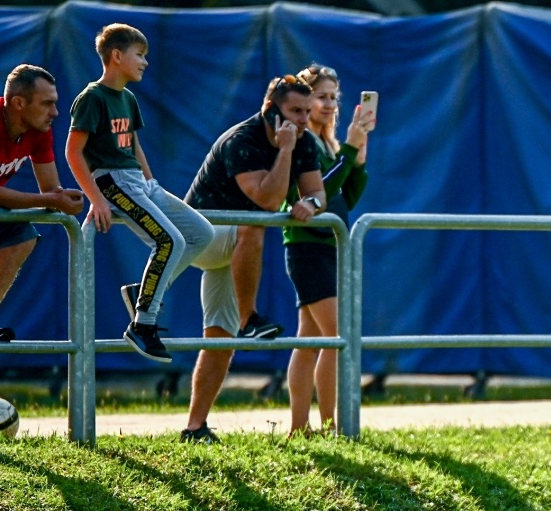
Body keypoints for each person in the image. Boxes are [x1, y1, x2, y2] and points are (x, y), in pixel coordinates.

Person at [181, 74, 326, 443]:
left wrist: (309, 203)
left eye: (307, 112)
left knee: (219, 339)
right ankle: (248, 319)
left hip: (232, 249)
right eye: (295, 111)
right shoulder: (241, 140)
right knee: (253, 227)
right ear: (270, 111)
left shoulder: (304, 140)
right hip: (199, 239)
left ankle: (195, 427)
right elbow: (265, 200)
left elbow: (318, 193)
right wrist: (285, 151)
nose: (304, 120)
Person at [65, 22, 213, 362]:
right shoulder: (92, 98)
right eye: (140, 55)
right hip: (111, 181)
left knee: (201, 234)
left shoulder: (128, 99)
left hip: (138, 182)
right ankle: (142, 324)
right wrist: (96, 199)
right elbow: (73, 152)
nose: (145, 62)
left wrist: (151, 182)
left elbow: (133, 143)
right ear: (116, 56)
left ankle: (142, 292)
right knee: (170, 240)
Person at [0, 65, 83, 355]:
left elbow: (51, 190)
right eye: (47, 103)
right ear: (19, 103)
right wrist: (53, 201)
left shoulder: (37, 131)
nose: (55, 113)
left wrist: (69, 198)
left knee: (23, 234)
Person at [283, 64, 373, 436]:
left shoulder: (329, 142)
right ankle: (332, 424)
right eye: (321, 96)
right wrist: (350, 150)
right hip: (306, 246)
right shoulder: (302, 139)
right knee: (337, 335)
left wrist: (358, 159)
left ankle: (301, 427)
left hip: (329, 246)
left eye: (334, 97)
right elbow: (317, 191)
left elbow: (345, 197)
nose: (329, 104)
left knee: (310, 340)